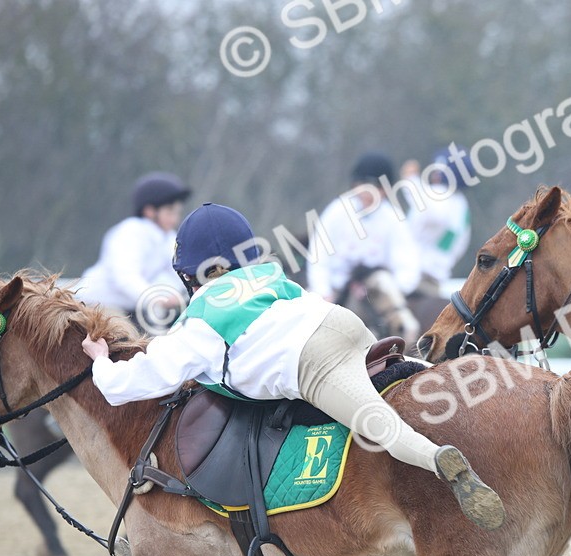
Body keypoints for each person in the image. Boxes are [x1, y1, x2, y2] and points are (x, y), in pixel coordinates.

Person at [82, 203, 505, 531]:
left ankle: (441, 460)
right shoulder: (269, 276)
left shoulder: (198, 318)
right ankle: (486, 374)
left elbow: (130, 385)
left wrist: (102, 362)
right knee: (412, 370)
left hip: (310, 361)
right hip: (345, 325)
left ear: (192, 274)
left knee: (381, 428)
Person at [306, 151, 422, 344]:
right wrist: (323, 292)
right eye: (364, 186)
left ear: (386, 190)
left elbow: (408, 264)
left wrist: (395, 292)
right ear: (355, 185)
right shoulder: (337, 210)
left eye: (377, 187)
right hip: (335, 287)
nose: (369, 193)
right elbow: (318, 256)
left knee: (406, 327)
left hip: (374, 290)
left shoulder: (393, 218)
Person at [76, 172, 192, 324]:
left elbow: (176, 273)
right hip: (98, 304)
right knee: (125, 340)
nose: (175, 218)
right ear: (150, 211)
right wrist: (159, 297)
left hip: (130, 307)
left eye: (178, 212)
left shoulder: (169, 237)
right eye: (170, 211)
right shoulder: (130, 232)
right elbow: (125, 277)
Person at [402, 147, 473, 298]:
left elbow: (428, 209)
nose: (434, 174)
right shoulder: (461, 204)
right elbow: (460, 247)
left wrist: (410, 178)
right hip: (436, 279)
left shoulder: (440, 194)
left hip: (414, 278)